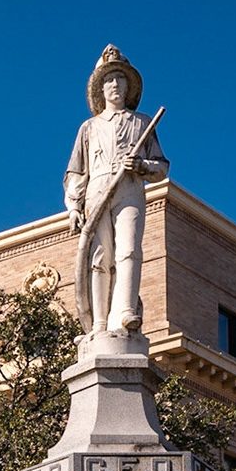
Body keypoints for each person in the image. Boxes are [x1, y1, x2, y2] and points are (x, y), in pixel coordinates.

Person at [64, 45, 168, 335]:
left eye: (120, 79)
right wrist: (73, 206)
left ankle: (124, 312)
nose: (115, 85)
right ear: (101, 88)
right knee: (99, 256)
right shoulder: (89, 127)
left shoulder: (142, 123)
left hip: (130, 188)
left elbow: (162, 168)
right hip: (98, 189)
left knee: (129, 249)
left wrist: (142, 165)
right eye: (109, 80)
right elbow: (76, 171)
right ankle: (98, 322)